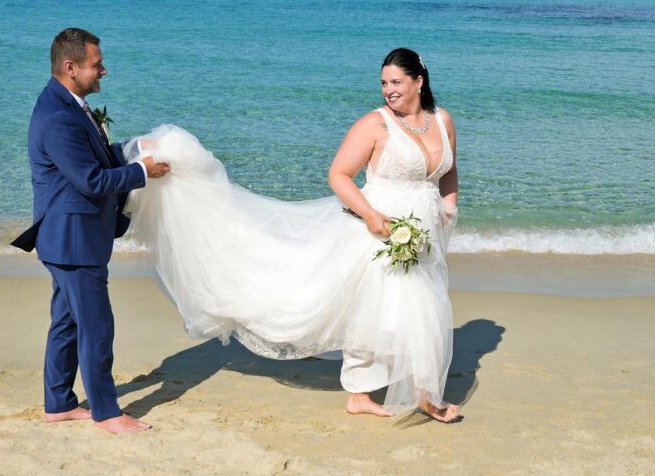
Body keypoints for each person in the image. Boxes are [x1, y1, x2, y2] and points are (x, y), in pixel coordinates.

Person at [124, 48, 460, 422]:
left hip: (425, 229)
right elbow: (339, 175)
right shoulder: (375, 124)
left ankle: (392, 390)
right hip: (380, 229)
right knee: (386, 309)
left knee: (419, 305)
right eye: (383, 83)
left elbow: (448, 171)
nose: (388, 91)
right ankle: (402, 394)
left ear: (419, 81)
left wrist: (448, 208)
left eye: (396, 82)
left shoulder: (441, 120)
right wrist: (370, 217)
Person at [11, 28, 170, 434]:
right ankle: (107, 411)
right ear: (71, 67)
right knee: (97, 325)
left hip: (69, 237)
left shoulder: (66, 104)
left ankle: (59, 403)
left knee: (67, 322)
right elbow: (92, 180)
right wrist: (141, 172)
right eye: (96, 64)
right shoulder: (59, 117)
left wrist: (134, 147)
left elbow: (93, 157)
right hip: (73, 239)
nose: (104, 70)